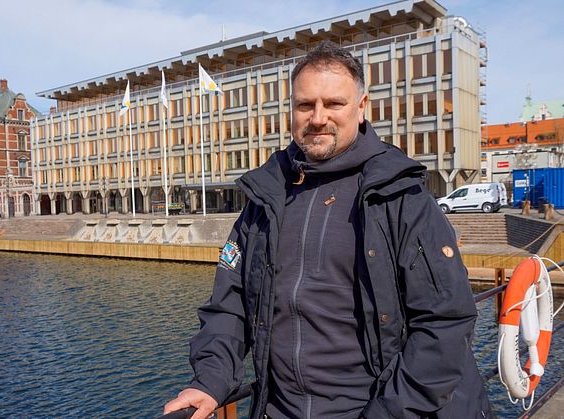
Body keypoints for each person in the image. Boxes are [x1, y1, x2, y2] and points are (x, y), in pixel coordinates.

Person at [164, 41, 491, 419]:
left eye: (334, 104)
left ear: (361, 107)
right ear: (291, 110)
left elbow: (445, 323)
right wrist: (210, 381)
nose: (318, 118)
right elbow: (230, 306)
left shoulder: (402, 196)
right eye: (305, 105)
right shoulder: (265, 197)